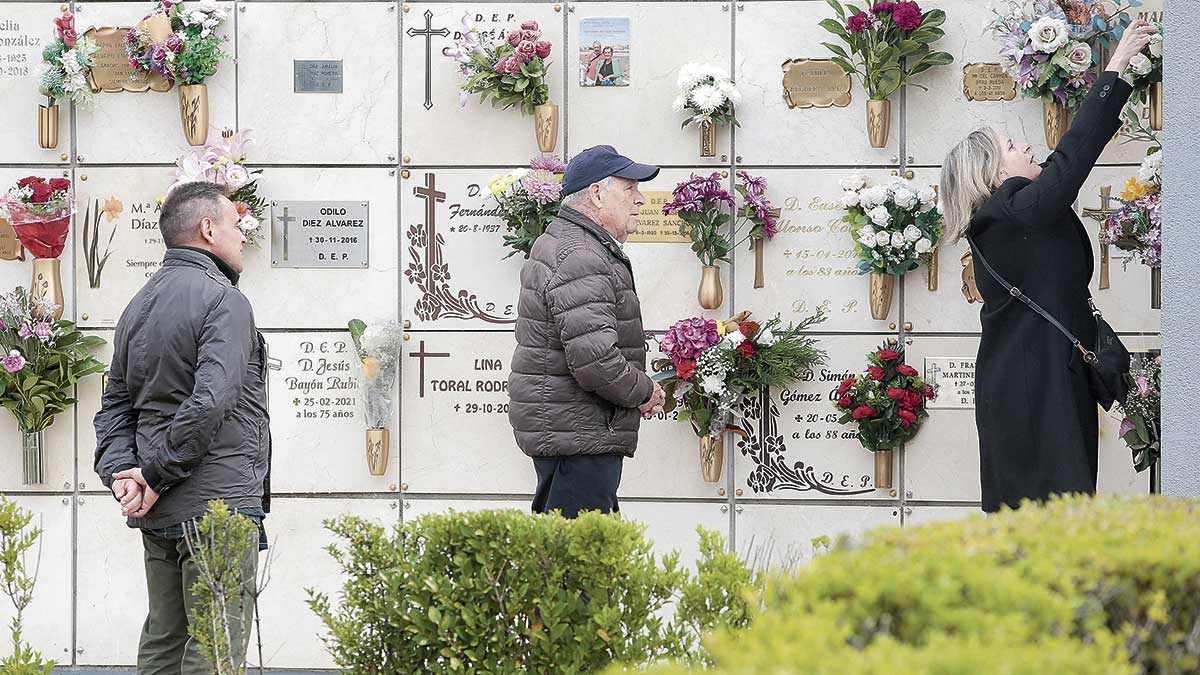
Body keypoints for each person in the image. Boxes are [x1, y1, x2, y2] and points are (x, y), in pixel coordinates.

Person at [938, 20, 1157, 513]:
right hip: (1031, 391)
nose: (1028, 147)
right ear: (994, 173)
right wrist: (1117, 63)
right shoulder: (1007, 213)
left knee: (1056, 514)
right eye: (1013, 147)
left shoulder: (1016, 217)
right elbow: (1072, 157)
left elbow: (1061, 165)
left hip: (1040, 381)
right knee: (1051, 517)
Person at [93, 180, 271, 674]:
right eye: (236, 226)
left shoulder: (137, 306)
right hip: (216, 508)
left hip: (159, 511)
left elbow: (114, 407)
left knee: (164, 642)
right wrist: (149, 475)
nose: (242, 238)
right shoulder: (224, 301)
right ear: (209, 229)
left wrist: (124, 472)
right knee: (213, 649)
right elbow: (212, 401)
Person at [509, 145, 666, 518]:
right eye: (629, 189)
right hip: (577, 438)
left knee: (576, 558)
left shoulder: (577, 245)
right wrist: (644, 391)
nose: (640, 200)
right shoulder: (580, 254)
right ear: (597, 194)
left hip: (576, 433)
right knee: (573, 564)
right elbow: (596, 360)